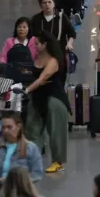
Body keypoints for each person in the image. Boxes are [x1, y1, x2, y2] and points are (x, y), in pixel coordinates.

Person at [24, 30, 71, 174]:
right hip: (38, 99)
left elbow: (41, 79)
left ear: (45, 45)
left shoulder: (53, 61)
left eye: (37, 43)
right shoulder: (37, 59)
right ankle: (31, 159)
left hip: (54, 100)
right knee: (31, 129)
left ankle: (58, 162)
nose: (35, 46)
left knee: (56, 132)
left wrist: (26, 90)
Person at [0, 113, 43, 184]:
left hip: (18, 189)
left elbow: (37, 174)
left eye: (9, 127)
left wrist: (13, 181)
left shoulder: (31, 148)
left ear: (19, 126)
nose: (6, 131)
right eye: (3, 127)